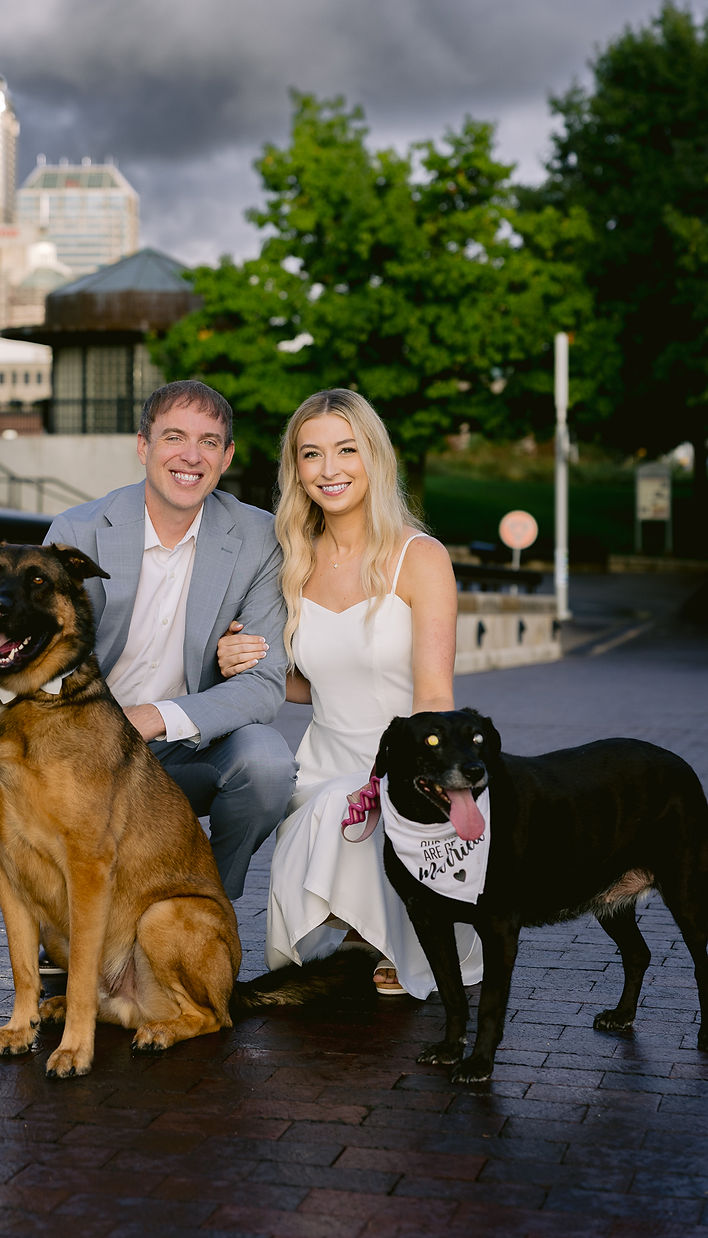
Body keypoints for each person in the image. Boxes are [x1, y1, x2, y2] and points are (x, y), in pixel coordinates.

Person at [218, 389, 482, 996]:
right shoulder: (291, 561)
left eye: (346, 449)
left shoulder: (420, 558)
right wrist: (239, 662)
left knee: (353, 804)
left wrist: (415, 782)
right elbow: (313, 684)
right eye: (311, 454)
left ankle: (388, 929)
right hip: (322, 765)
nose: (329, 469)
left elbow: (434, 692)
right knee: (332, 802)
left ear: (375, 457)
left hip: (408, 762)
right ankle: (360, 920)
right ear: (296, 468)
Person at [39, 379, 296, 902]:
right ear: (143, 446)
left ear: (226, 457)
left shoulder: (259, 540)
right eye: (174, 437)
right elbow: (46, 662)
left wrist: (154, 717)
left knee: (267, 765)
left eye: (208, 442)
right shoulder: (78, 532)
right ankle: (69, 916)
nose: (191, 456)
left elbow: (264, 685)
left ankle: (203, 906)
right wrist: (103, 730)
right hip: (86, 744)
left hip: (189, 750)